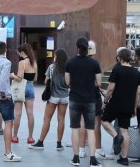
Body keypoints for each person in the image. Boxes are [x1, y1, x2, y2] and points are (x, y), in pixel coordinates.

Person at [65, 37, 102, 167]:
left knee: (75, 128)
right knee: (90, 129)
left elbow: (67, 82)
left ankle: (76, 158)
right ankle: (92, 160)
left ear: (77, 48)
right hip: (90, 100)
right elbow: (99, 83)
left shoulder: (70, 62)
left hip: (74, 98)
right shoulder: (94, 63)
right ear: (88, 48)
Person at [101, 48, 140, 166]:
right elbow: (138, 93)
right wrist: (134, 107)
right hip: (128, 105)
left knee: (104, 120)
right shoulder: (136, 73)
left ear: (119, 58)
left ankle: (115, 136)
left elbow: (111, 88)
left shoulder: (117, 69)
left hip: (115, 103)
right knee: (125, 131)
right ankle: (124, 158)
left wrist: (105, 101)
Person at [30, 48, 68, 150]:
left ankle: (41, 142)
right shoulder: (67, 68)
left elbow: (46, 81)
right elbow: (69, 83)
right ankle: (59, 144)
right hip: (64, 97)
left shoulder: (51, 67)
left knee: (47, 119)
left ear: (56, 57)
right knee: (61, 119)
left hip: (53, 96)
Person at [78, 40, 111, 159]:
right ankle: (98, 149)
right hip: (93, 96)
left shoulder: (75, 62)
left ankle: (81, 150)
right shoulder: (94, 63)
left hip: (80, 96)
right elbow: (98, 82)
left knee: (82, 122)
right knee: (96, 123)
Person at [11, 43, 37, 144]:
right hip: (30, 86)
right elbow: (35, 78)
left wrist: (12, 76)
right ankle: (30, 137)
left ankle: (14, 137)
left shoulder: (22, 63)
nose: (19, 55)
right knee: (30, 113)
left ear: (22, 52)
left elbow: (19, 78)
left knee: (18, 113)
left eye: (19, 53)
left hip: (22, 87)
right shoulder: (34, 62)